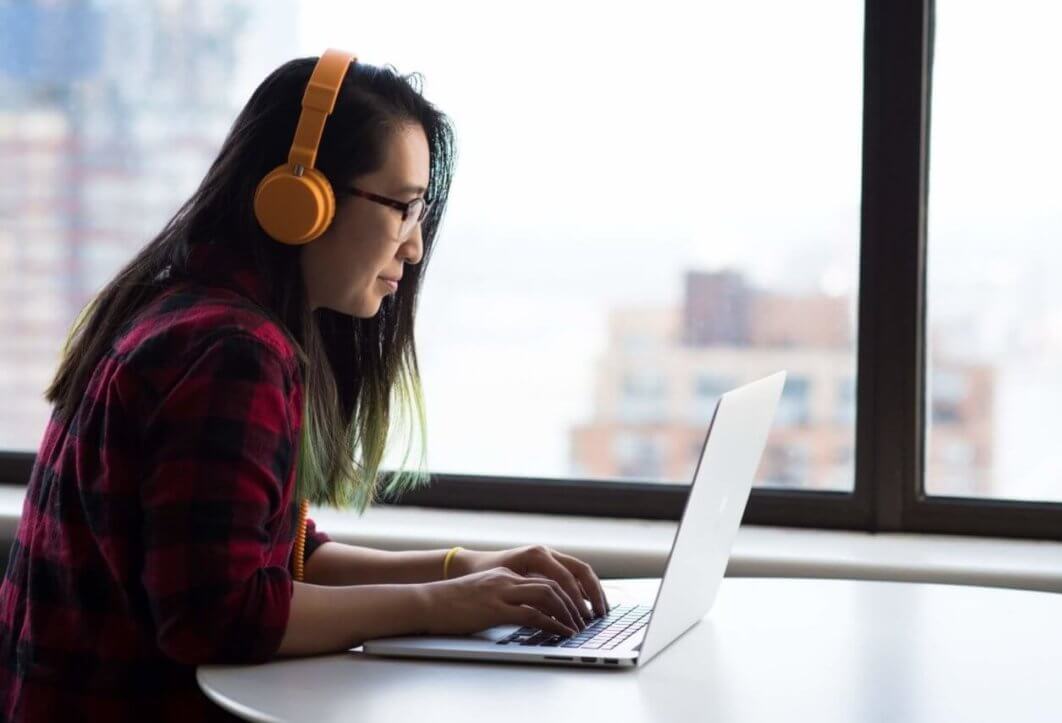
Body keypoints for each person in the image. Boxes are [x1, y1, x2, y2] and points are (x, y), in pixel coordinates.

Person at [0, 49, 608, 722]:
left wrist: (462, 567)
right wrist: (446, 607)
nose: (413, 246)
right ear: (301, 197)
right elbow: (218, 613)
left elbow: (282, 554)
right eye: (402, 208)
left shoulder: (187, 310)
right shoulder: (232, 353)